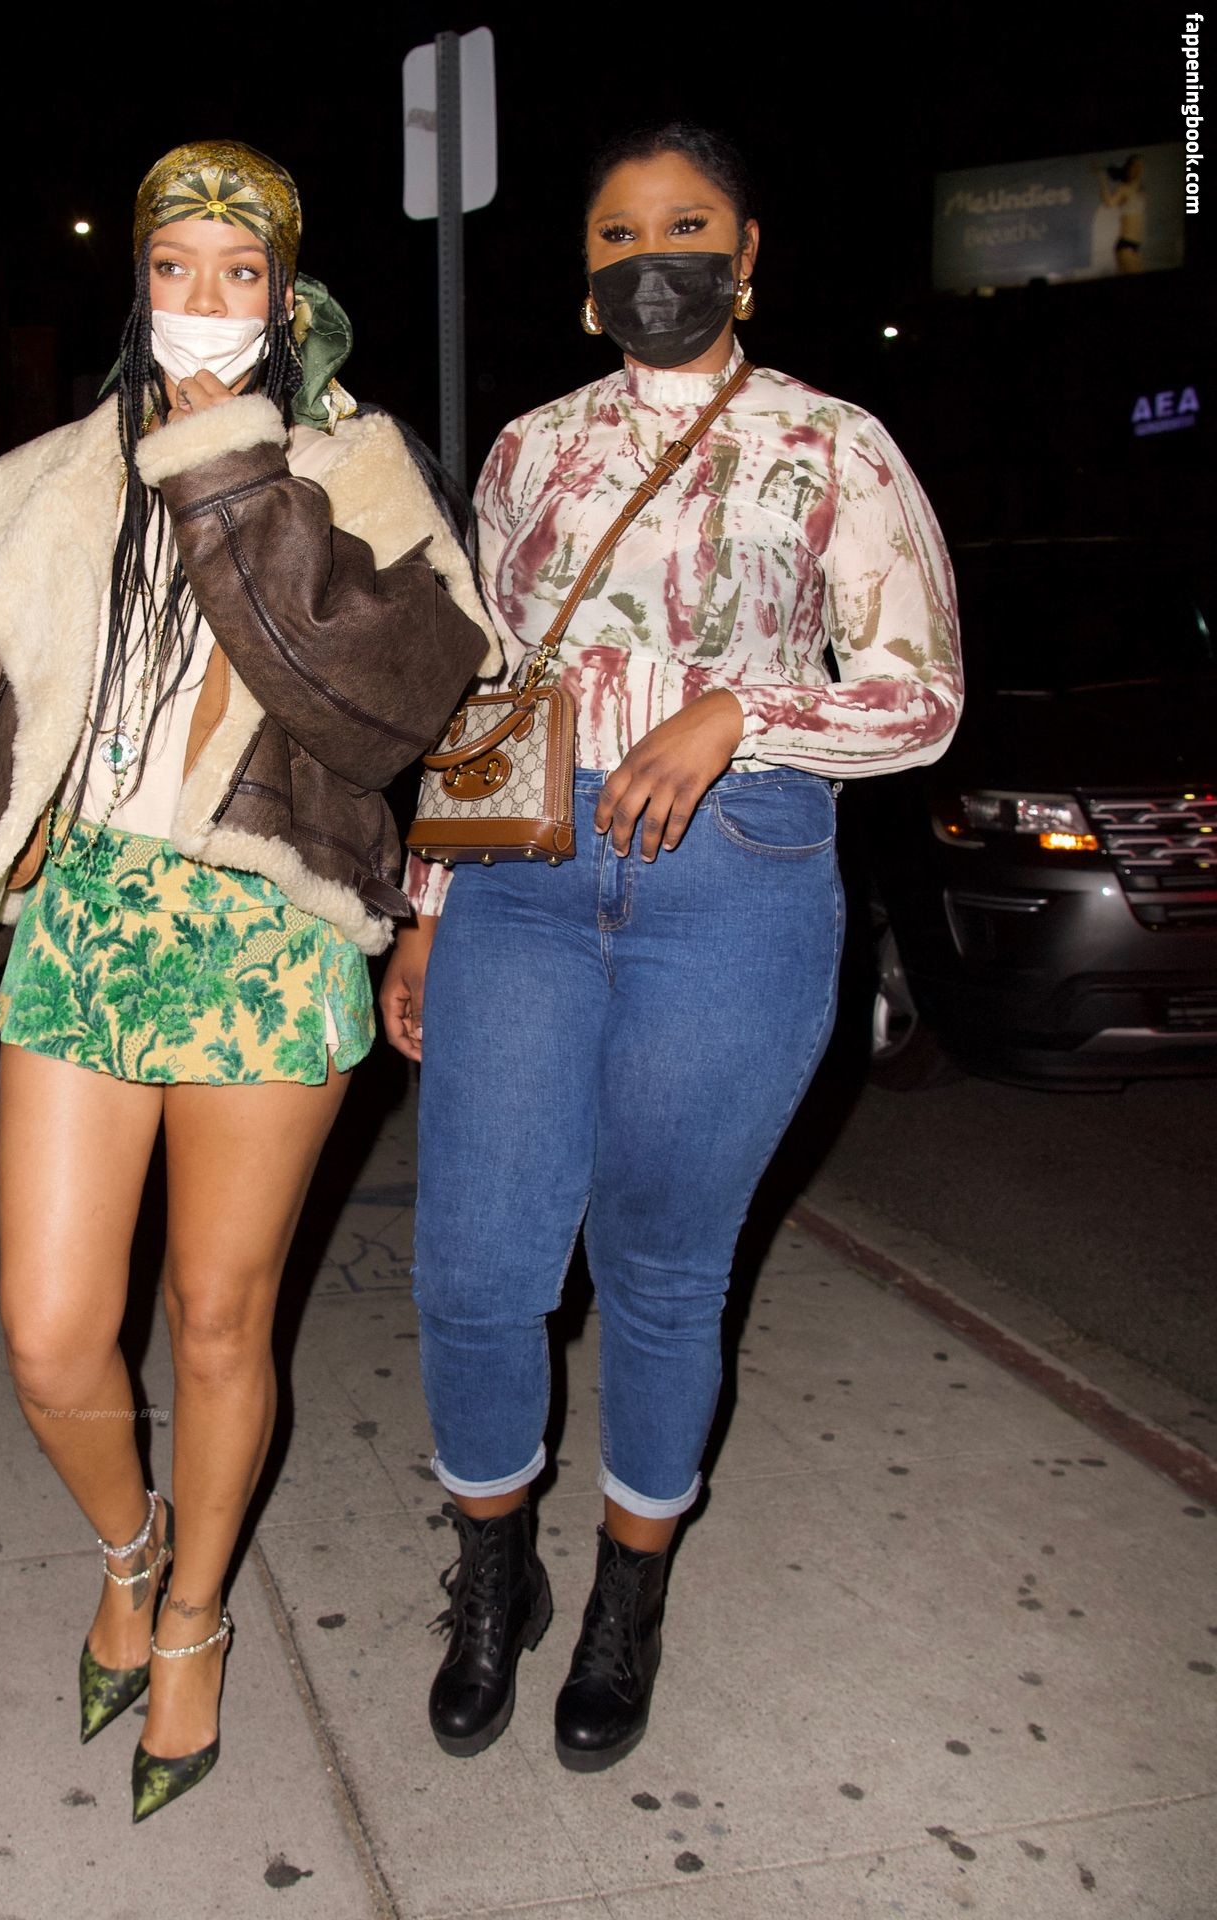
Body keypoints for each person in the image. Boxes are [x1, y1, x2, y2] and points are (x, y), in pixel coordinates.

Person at [0, 139, 493, 1822]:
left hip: (270, 939)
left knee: (219, 1319)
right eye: (172, 268)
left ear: (288, 298)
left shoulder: (361, 476)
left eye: (239, 272)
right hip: (84, 928)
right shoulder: (41, 488)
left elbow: (379, 711)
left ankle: (196, 1617)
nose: (203, 300)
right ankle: (129, 1549)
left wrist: (227, 470)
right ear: (135, 285)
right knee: (55, 1338)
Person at [382, 122, 962, 1772]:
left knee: (660, 1266)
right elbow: (482, 696)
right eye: (621, 235)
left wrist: (738, 712)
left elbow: (923, 698)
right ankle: (496, 1575)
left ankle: (627, 1597)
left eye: (688, 227)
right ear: (585, 276)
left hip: (737, 878)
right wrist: (429, 907)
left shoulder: (834, 444)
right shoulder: (528, 451)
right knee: (475, 1269)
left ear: (747, 254)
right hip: (525, 882)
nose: (656, 260)